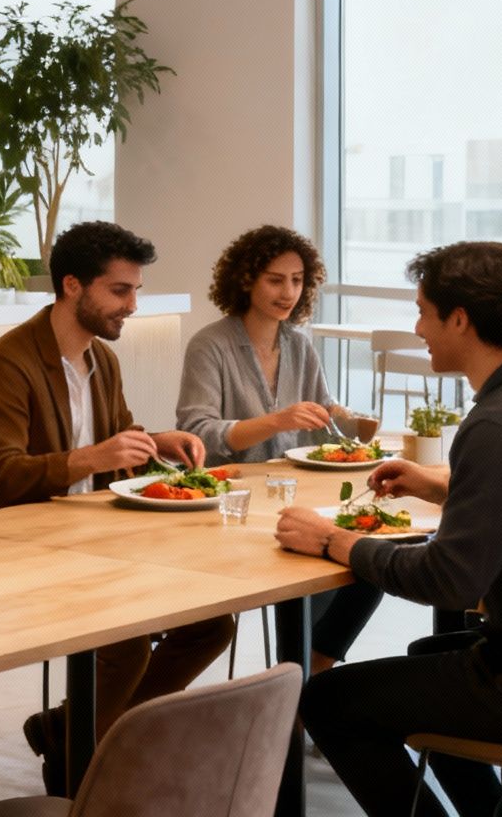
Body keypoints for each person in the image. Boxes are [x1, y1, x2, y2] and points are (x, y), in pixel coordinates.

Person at [279, 241, 502, 817]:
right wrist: (439, 487)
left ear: (460, 319)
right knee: (429, 652)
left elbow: (451, 580)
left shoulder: (499, 423)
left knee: (327, 701)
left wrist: (341, 543)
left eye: (424, 311)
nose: (418, 327)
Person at [0, 220, 236, 795]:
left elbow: (116, 437)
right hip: (19, 546)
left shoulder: (100, 360)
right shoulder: (6, 364)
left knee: (211, 625)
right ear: (71, 286)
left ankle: (78, 731)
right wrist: (90, 458)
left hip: (97, 538)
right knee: (126, 643)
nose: (133, 305)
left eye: (135, 290)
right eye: (120, 291)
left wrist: (154, 440)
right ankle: (82, 757)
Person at [178, 224, 382, 674]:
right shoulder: (210, 345)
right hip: (231, 506)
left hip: (294, 496)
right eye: (275, 279)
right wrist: (279, 419)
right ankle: (296, 687)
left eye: (297, 280)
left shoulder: (300, 346)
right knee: (318, 565)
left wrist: (344, 419)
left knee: (370, 563)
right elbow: (198, 430)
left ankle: (309, 676)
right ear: (246, 280)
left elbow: (322, 428)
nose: (288, 291)